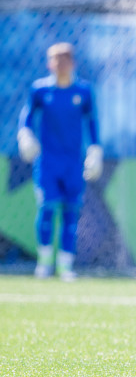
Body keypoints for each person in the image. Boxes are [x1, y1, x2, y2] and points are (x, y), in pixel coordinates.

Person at [18, 42, 103, 283]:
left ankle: (66, 265)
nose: (61, 64)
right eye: (56, 60)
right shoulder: (40, 90)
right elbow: (26, 117)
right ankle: (44, 263)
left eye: (65, 60)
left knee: (71, 212)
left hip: (73, 162)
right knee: (46, 209)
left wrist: (95, 149)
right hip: (48, 162)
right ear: (49, 63)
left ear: (72, 63)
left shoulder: (83, 91)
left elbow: (92, 122)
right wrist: (25, 134)